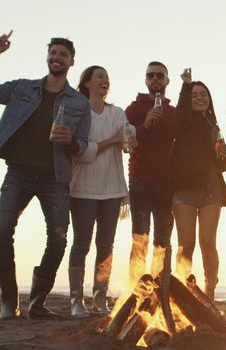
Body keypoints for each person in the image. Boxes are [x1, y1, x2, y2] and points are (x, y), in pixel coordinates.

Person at [0, 33, 90, 320]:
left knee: (59, 239)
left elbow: (83, 146)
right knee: (2, 230)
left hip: (55, 177)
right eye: (53, 53)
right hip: (18, 173)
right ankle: (8, 302)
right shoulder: (22, 88)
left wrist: (70, 141)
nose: (57, 57)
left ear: (71, 61)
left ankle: (37, 302)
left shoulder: (79, 102)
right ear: (47, 57)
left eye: (63, 54)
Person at [68, 66, 136, 317]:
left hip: (112, 189)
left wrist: (128, 137)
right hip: (83, 189)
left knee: (106, 246)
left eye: (107, 77)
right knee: (81, 244)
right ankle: (76, 301)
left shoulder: (116, 113)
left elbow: (128, 143)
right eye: (100, 77)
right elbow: (81, 152)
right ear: (87, 83)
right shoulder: (79, 112)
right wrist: (111, 141)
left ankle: (99, 299)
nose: (105, 80)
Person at [172, 68, 226, 302]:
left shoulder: (214, 125)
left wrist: (221, 154)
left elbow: (224, 164)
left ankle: (210, 292)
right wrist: (185, 87)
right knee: (186, 243)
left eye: (203, 94)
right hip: (184, 189)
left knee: (208, 241)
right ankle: (184, 291)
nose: (199, 97)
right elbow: (179, 118)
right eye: (194, 94)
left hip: (211, 188)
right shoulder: (182, 122)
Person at [126, 62, 176, 286]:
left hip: (167, 181)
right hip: (141, 179)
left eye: (159, 76)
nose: (155, 79)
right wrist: (144, 125)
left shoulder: (174, 112)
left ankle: (159, 288)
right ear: (146, 80)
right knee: (140, 238)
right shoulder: (134, 109)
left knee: (163, 241)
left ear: (167, 80)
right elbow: (125, 142)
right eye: (150, 76)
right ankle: (137, 290)